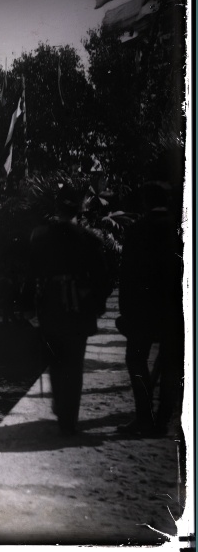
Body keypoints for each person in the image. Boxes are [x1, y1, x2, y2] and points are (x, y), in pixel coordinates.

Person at [28, 183, 112, 435]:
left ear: (56, 208)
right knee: (74, 364)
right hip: (78, 307)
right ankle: (69, 419)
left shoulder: (41, 237)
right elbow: (104, 280)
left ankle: (61, 408)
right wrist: (95, 305)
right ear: (80, 209)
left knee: (55, 360)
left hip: (52, 306)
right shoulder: (89, 240)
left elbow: (31, 274)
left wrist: (30, 306)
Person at [116, 181, 184, 436]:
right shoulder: (180, 227)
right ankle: (163, 420)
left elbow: (127, 276)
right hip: (175, 309)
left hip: (143, 310)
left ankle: (144, 416)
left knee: (135, 359)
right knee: (170, 364)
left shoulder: (137, 230)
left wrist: (125, 311)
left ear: (145, 202)